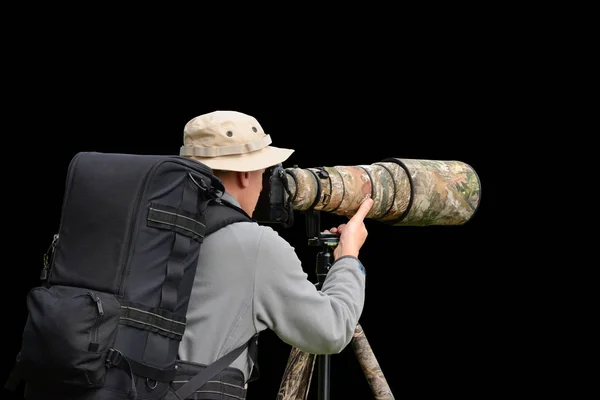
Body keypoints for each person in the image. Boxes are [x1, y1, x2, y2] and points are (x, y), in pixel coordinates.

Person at [176, 110, 374, 399]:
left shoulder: (157, 223)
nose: (265, 182)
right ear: (245, 174)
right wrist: (348, 258)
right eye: (264, 171)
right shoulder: (255, 245)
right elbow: (330, 330)